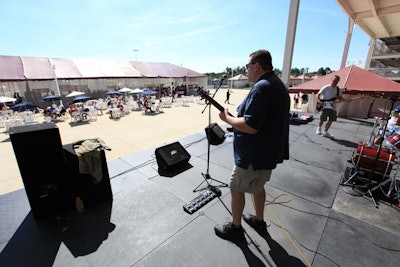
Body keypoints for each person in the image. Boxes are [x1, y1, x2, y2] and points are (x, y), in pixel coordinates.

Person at [214, 49, 290, 241]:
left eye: (248, 66)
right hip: (268, 152)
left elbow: (251, 126)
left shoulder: (262, 87)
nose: (246, 70)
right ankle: (259, 220)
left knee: (236, 187)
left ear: (256, 66)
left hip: (253, 155)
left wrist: (229, 119)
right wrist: (237, 118)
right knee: (258, 187)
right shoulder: (277, 84)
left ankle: (236, 228)